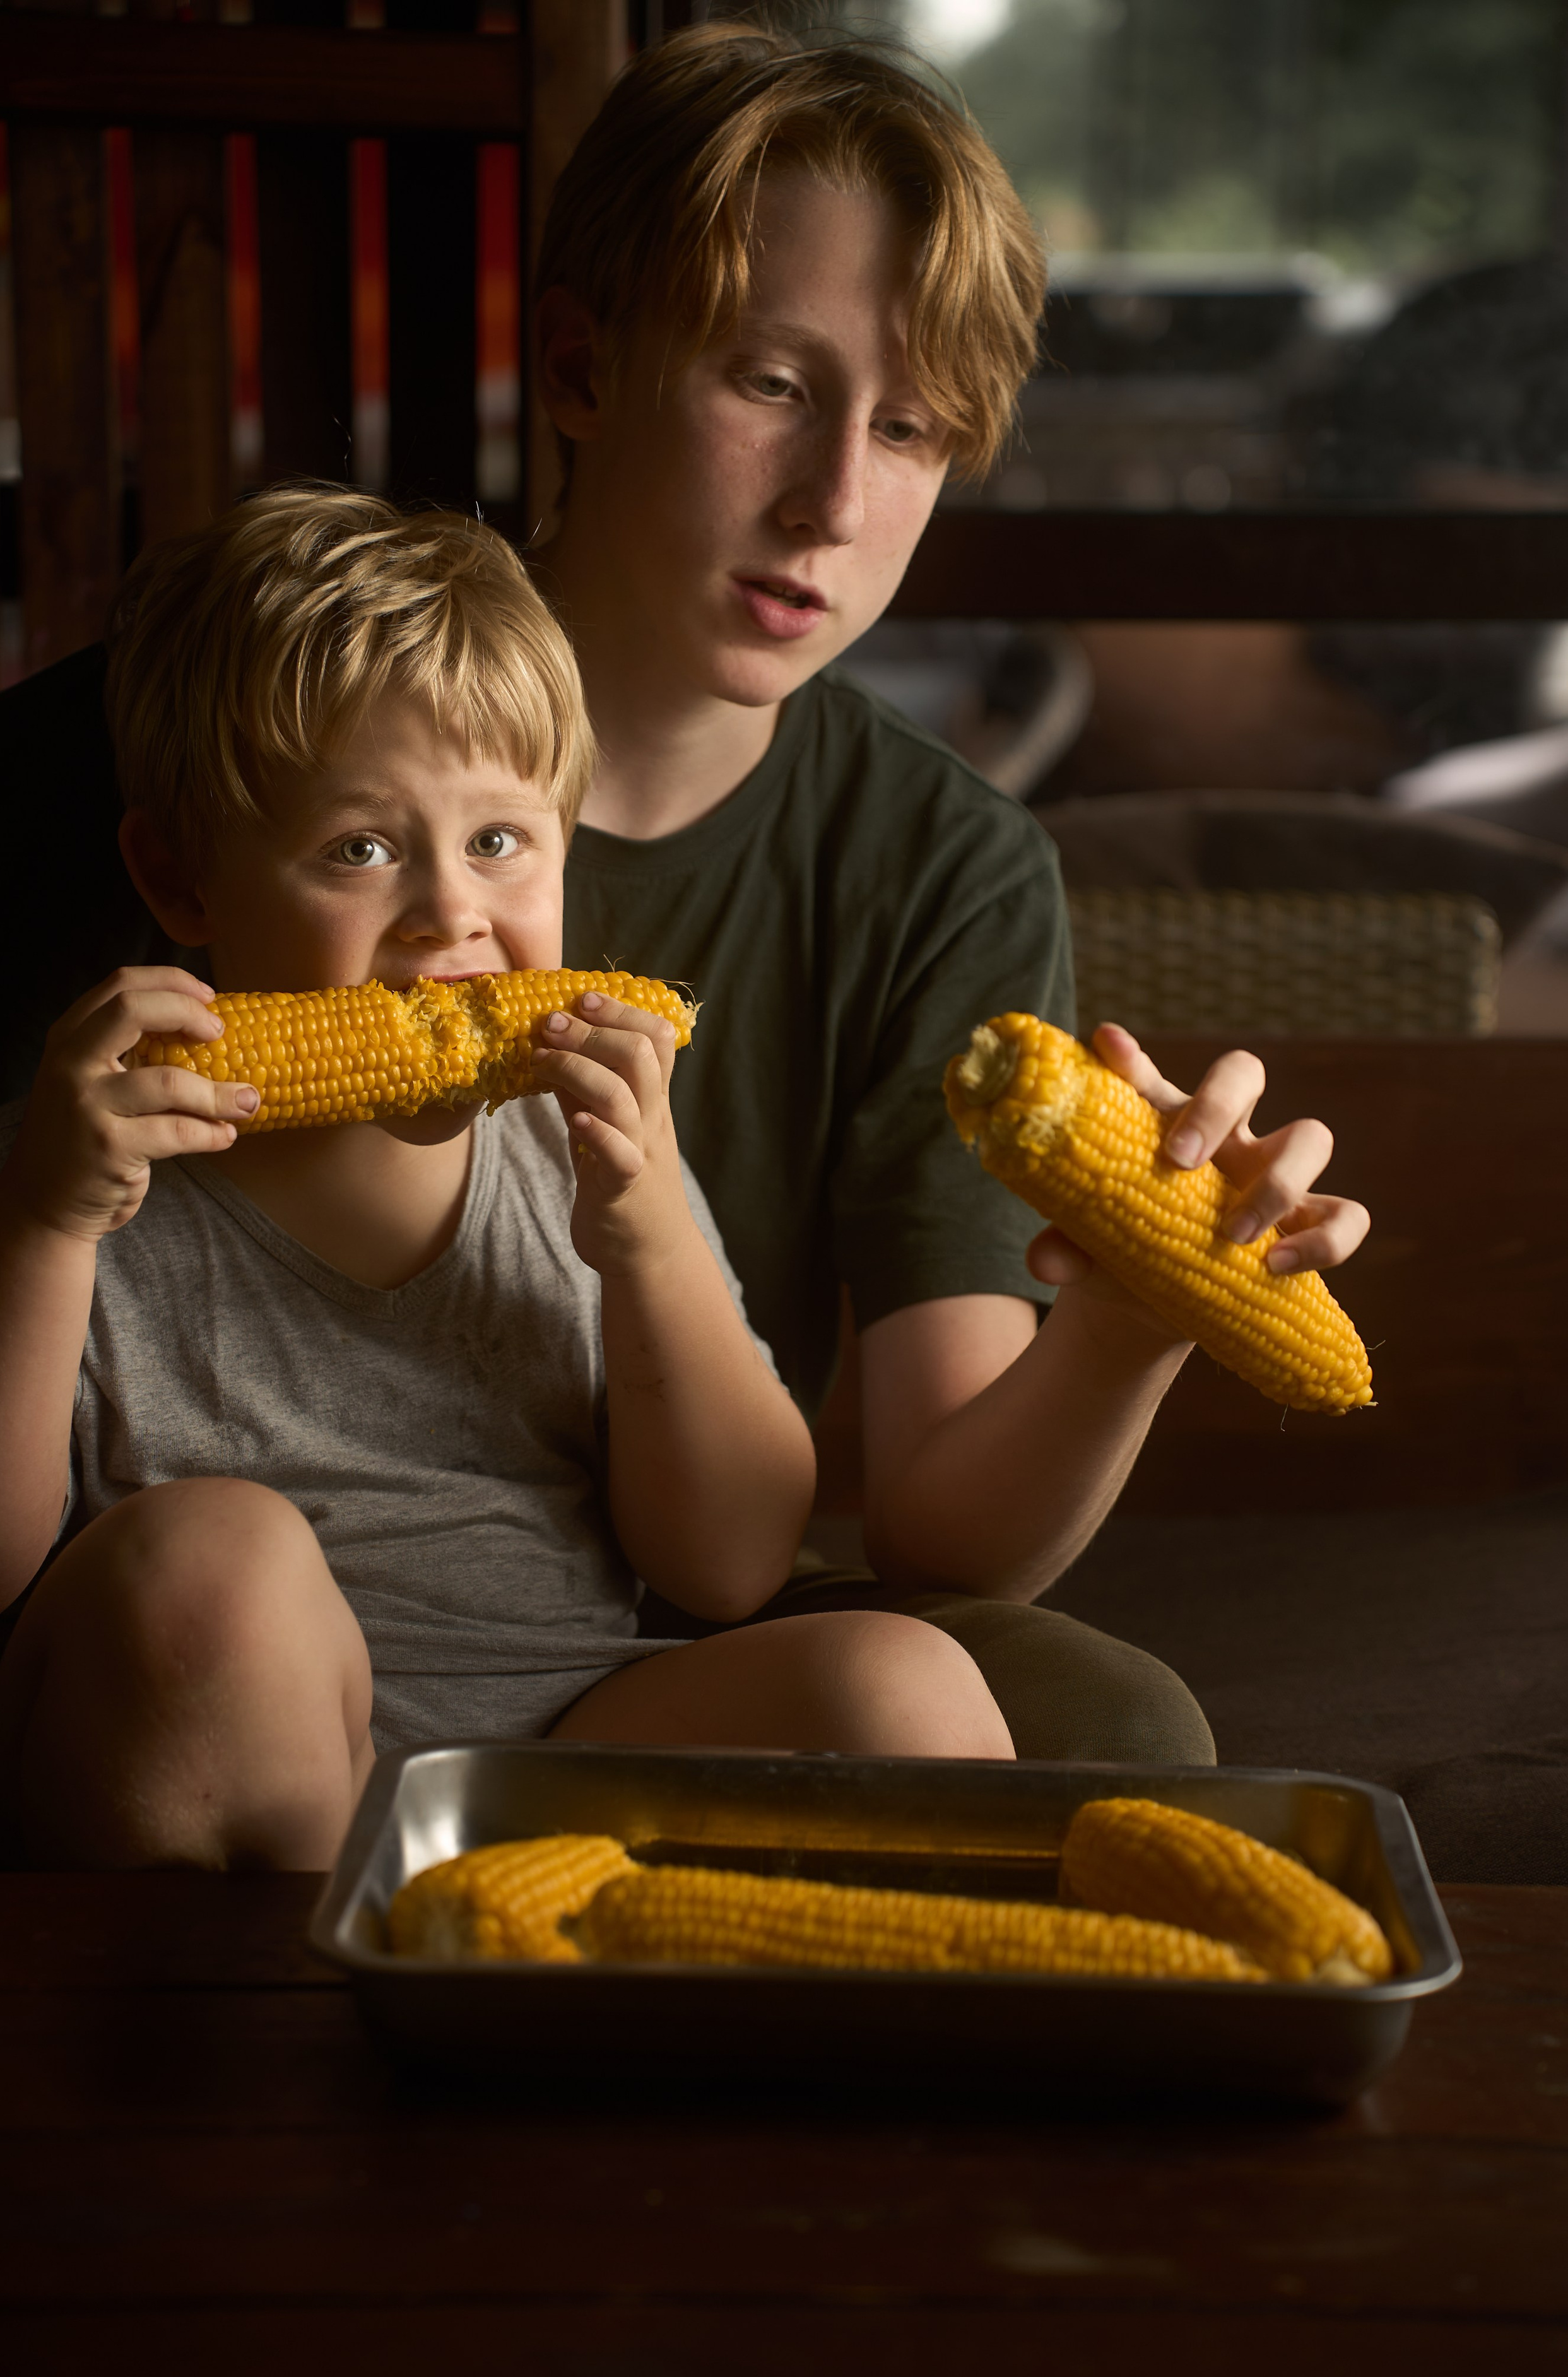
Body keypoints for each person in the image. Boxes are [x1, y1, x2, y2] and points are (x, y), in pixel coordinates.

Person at [0, 488, 1030, 1873]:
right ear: (182, 881)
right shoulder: (61, 1167)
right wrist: (45, 1226)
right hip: (219, 1789)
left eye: (500, 842)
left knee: (904, 1691)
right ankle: (286, 2034)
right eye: (360, 848)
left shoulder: (583, 1159)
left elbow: (730, 1563)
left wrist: (643, 1240)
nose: (450, 913)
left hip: (550, 1751)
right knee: (213, 1568)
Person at [529, 23, 1368, 1755]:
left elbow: (938, 1525)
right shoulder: (292, 709)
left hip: (689, 1632)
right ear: (584, 364)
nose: (835, 501)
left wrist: (1135, 1320)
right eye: (770, 383)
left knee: (1124, 1736)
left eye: (909, 428)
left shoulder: (943, 862)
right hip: (290, 1569)